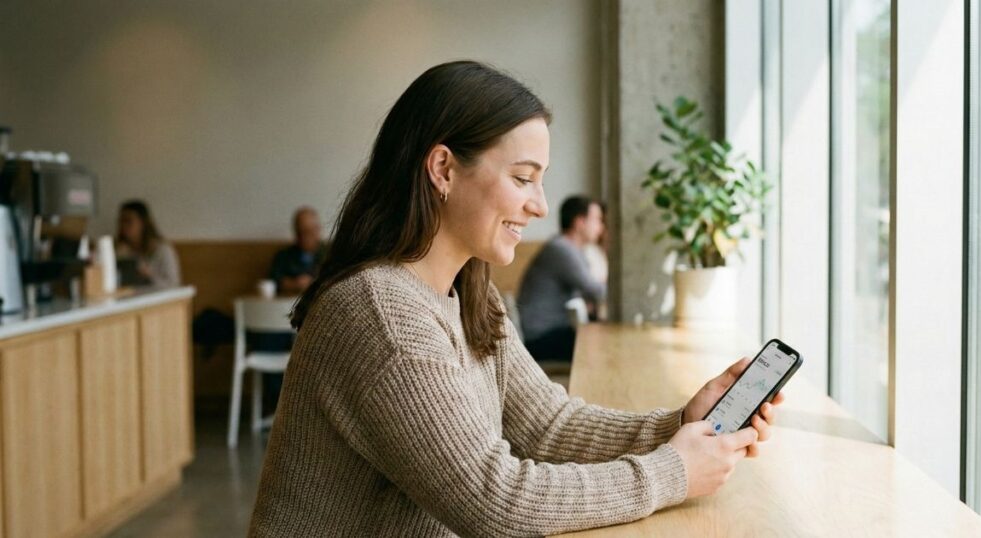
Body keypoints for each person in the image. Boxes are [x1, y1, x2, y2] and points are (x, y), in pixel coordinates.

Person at [249, 61, 781, 537]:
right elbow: (494, 501)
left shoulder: (469, 293)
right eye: (523, 178)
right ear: (443, 169)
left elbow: (548, 426)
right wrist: (672, 472)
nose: (541, 206)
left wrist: (680, 423)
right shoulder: (380, 316)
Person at [516, 195, 606, 360]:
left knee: (598, 336)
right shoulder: (561, 249)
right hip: (540, 337)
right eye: (598, 220)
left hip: (550, 332)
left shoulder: (571, 249)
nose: (601, 228)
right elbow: (596, 290)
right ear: (580, 222)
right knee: (600, 345)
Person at [115, 200, 181, 287]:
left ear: (143, 223)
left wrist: (149, 276)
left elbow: (174, 284)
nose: (123, 226)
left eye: (128, 221)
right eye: (121, 221)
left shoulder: (163, 250)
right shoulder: (120, 250)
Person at [268, 206, 325, 295]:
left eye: (308, 231)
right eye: (300, 232)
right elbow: (272, 282)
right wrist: (294, 284)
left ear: (318, 230)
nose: (304, 237)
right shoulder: (283, 256)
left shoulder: (330, 254)